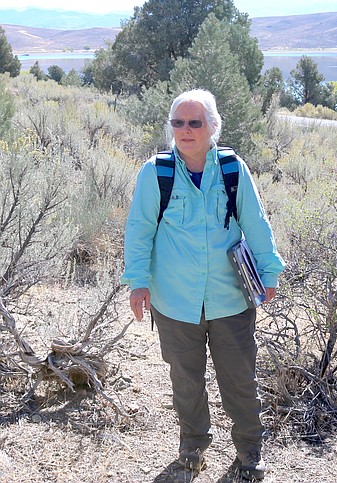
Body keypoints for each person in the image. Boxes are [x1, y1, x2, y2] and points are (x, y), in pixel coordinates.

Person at [120, 89, 285, 481]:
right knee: (186, 381)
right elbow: (139, 232)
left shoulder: (231, 168)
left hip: (230, 299)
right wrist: (138, 283)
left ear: (213, 127)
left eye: (195, 122)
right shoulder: (155, 173)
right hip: (175, 301)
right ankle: (192, 447)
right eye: (178, 123)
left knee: (240, 380)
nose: (186, 130)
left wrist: (270, 272)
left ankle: (249, 452)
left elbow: (256, 223)